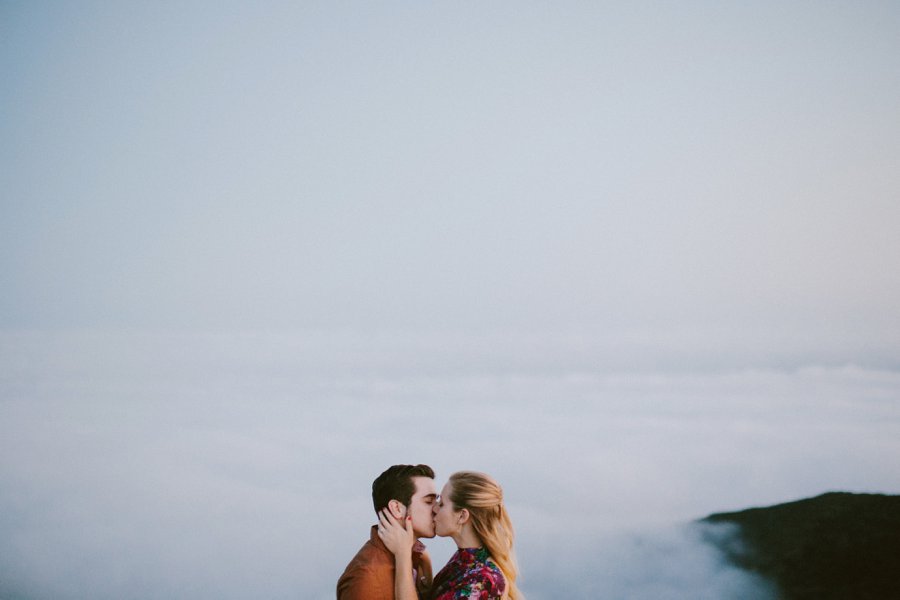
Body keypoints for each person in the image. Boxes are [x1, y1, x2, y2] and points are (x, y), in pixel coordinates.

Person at [378, 471, 521, 600]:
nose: (434, 508)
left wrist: (402, 556)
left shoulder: (483, 580)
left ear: (462, 516)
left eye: (442, 504)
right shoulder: (462, 561)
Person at [337, 464, 438, 600]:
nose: (437, 509)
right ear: (396, 508)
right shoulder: (366, 577)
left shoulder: (418, 558)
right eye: (429, 501)